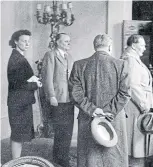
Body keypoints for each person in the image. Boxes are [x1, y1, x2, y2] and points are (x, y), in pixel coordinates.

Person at [69, 34, 131, 167]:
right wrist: (107, 112)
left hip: (88, 117)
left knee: (90, 157)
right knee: (114, 156)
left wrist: (93, 110)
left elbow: (75, 94)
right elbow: (125, 93)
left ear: (94, 46)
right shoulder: (121, 65)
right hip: (114, 117)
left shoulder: (79, 65)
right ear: (110, 47)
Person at [7, 29, 42, 159]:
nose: (27, 44)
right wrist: (35, 84)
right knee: (17, 136)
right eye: (24, 41)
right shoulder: (16, 58)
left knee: (19, 136)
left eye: (28, 41)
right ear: (16, 41)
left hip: (21, 102)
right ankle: (15, 163)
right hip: (18, 103)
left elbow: (22, 79)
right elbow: (16, 84)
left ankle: (16, 162)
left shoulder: (19, 57)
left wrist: (33, 79)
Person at [41, 33, 74, 167]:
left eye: (69, 41)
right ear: (58, 42)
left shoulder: (69, 57)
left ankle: (62, 155)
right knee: (60, 130)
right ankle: (60, 158)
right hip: (58, 98)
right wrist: (51, 95)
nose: (68, 44)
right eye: (66, 41)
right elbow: (47, 77)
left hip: (69, 98)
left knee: (68, 129)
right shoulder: (51, 55)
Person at [121, 34, 153, 166]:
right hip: (135, 107)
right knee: (135, 144)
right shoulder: (130, 60)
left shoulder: (132, 59)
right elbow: (132, 86)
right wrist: (144, 105)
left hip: (135, 106)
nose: (145, 48)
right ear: (134, 45)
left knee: (136, 143)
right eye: (142, 45)